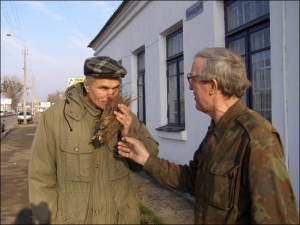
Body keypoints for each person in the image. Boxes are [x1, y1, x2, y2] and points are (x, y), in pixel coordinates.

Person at [117, 47, 299, 224]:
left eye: (192, 79)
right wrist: (146, 159)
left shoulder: (257, 137)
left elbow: (276, 217)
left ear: (212, 86)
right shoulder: (218, 130)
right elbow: (190, 179)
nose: (189, 88)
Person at [28, 56, 159, 224]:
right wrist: (46, 220)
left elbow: (149, 157)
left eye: (115, 88)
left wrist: (129, 132)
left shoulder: (125, 116)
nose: (111, 96)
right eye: (103, 88)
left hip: (119, 218)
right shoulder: (54, 118)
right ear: (87, 86)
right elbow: (41, 176)